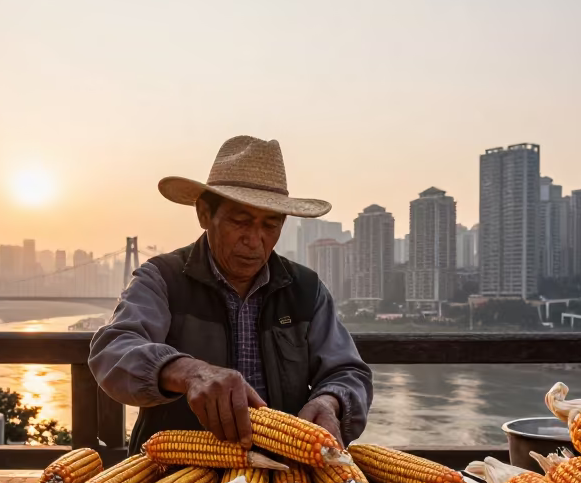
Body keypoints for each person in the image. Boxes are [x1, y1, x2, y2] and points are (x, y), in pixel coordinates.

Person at [89, 135, 373, 453]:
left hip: (281, 475)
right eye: (240, 221)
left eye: (271, 225)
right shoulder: (163, 278)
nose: (255, 240)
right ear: (204, 215)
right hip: (174, 478)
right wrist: (188, 372)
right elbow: (112, 351)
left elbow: (349, 371)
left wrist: (331, 400)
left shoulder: (306, 290)